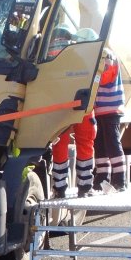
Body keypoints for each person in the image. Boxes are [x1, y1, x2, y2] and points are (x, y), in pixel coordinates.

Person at [48, 29, 96, 198]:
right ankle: (85, 186)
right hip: (82, 106)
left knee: (59, 145)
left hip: (60, 106)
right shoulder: (79, 56)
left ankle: (59, 188)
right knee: (85, 143)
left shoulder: (50, 55)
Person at [93, 48, 127, 192]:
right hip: (100, 109)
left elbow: (105, 77)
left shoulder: (107, 55)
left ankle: (120, 180)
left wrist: (92, 74)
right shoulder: (100, 55)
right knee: (100, 145)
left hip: (111, 108)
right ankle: (102, 178)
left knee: (112, 144)